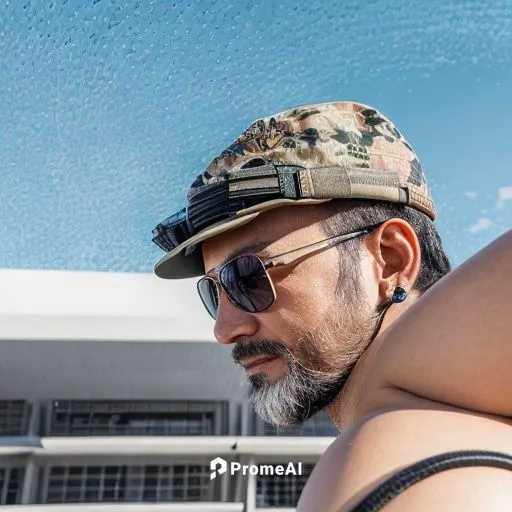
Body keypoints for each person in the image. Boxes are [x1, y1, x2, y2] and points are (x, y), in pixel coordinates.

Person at [152, 101, 512, 511]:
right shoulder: (473, 433)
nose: (225, 327)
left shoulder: (389, 473)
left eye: (247, 276)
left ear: (390, 260)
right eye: (215, 290)